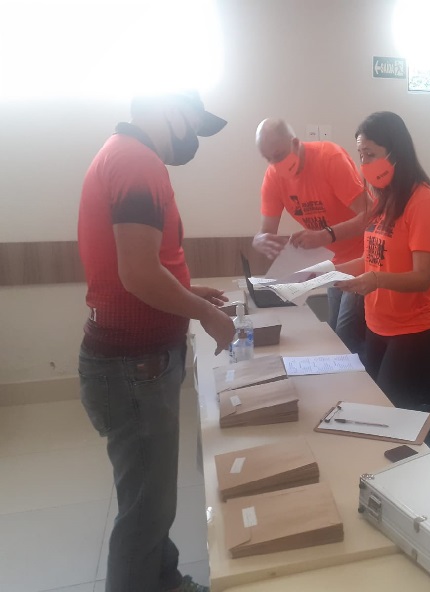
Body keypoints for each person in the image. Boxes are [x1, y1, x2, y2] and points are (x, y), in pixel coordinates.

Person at [77, 91, 235, 592]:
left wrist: (188, 290)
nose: (194, 141)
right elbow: (139, 274)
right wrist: (205, 314)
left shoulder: (125, 154)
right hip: (134, 365)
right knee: (146, 511)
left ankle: (164, 580)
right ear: (169, 110)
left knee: (152, 499)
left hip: (132, 362)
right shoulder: (137, 162)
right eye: (194, 126)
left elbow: (141, 266)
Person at [334, 111, 430, 426]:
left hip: (412, 331)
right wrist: (329, 271)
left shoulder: (425, 202)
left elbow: (422, 277)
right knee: (381, 406)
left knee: (396, 419)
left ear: (395, 153)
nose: (364, 163)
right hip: (377, 324)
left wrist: (374, 280)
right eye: (360, 155)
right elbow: (372, 258)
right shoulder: (383, 200)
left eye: (370, 154)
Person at [252, 119, 371, 355]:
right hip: (331, 264)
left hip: (362, 260)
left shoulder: (330, 158)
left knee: (346, 336)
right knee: (335, 335)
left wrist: (325, 236)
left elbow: (370, 216)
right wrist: (260, 240)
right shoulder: (273, 177)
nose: (275, 164)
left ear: (295, 143)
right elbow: (265, 231)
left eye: (279, 155)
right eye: (268, 159)